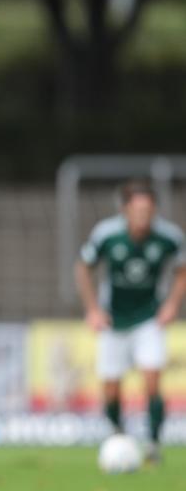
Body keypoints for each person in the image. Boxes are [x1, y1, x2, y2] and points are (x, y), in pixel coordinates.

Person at [75, 180, 186, 463]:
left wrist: (172, 304)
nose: (143, 216)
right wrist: (92, 309)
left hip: (149, 319)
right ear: (125, 210)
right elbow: (83, 267)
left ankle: (153, 444)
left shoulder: (169, 237)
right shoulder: (106, 235)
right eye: (137, 210)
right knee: (111, 388)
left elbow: (181, 270)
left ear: (155, 210)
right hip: (113, 320)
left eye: (148, 210)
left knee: (152, 380)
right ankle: (116, 433)